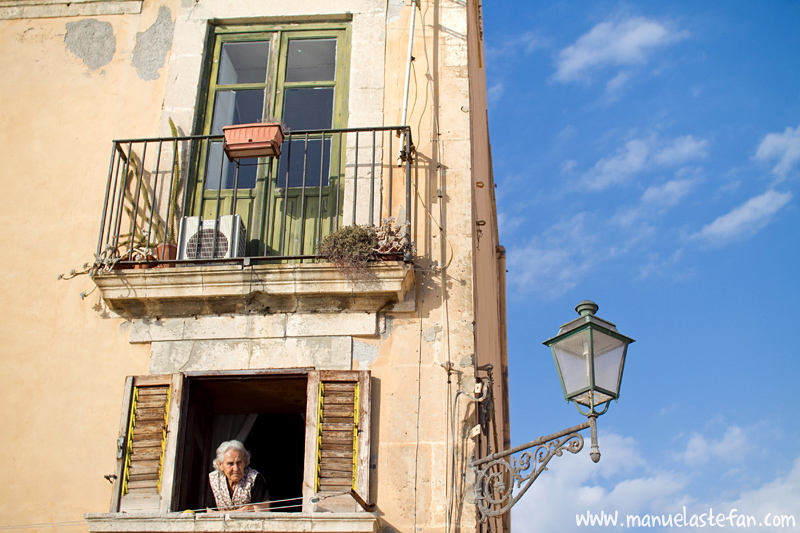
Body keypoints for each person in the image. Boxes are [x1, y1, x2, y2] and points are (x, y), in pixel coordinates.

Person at [207, 440, 269, 512]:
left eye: (239, 462)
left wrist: (221, 513)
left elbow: (262, 513)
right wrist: (239, 511)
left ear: (244, 462)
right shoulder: (214, 479)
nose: (236, 469)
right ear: (220, 465)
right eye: (230, 463)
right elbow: (210, 514)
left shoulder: (254, 478)